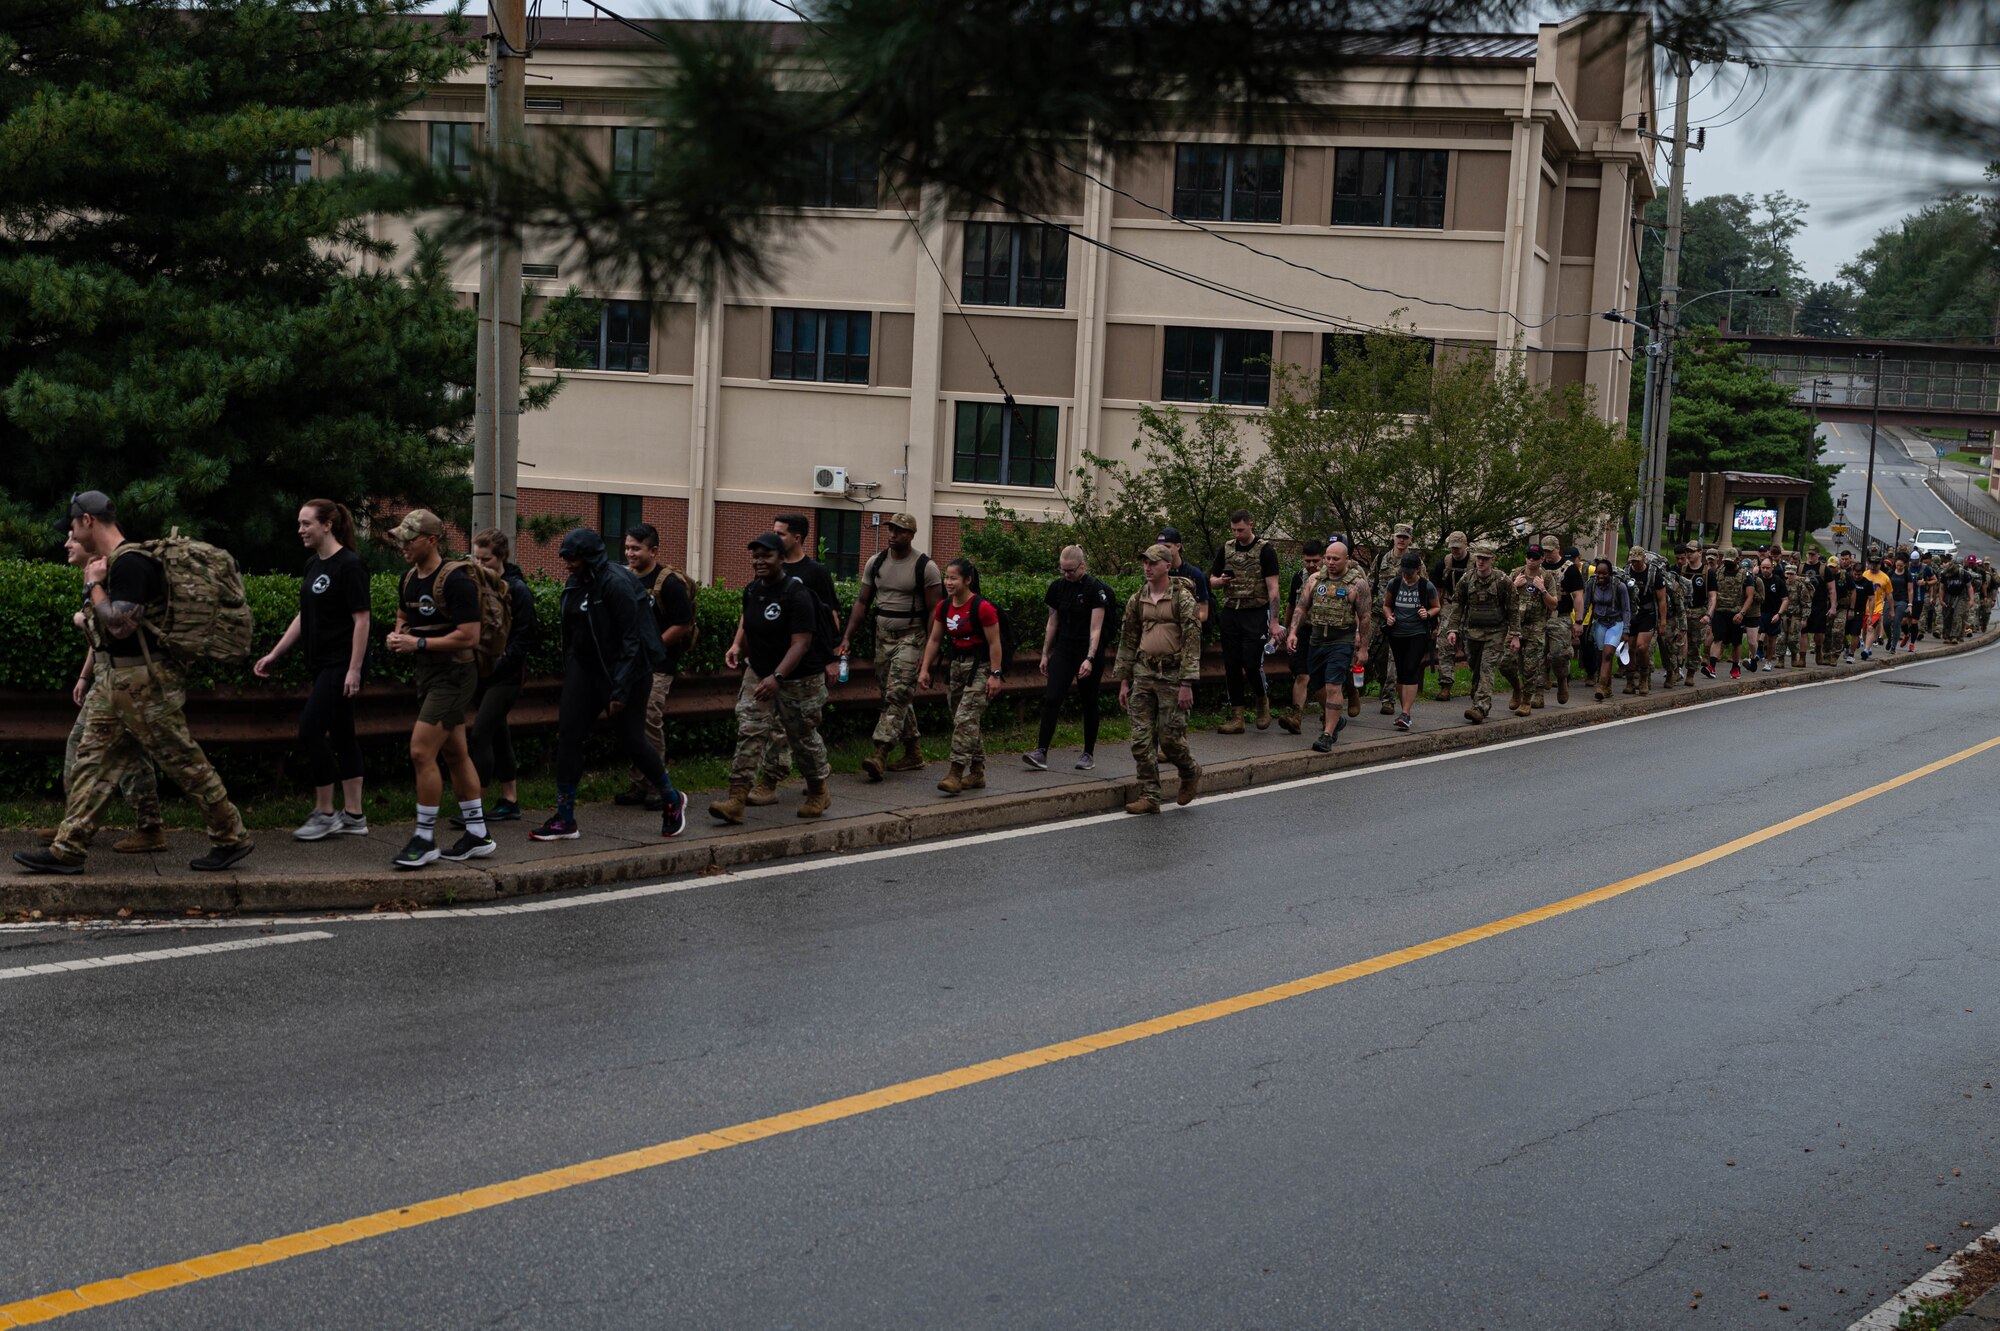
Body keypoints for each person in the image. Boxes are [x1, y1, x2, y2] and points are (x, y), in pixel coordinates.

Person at [16, 491, 252, 876]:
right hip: (118, 681)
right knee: (92, 761)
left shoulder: (131, 563)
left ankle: (231, 837)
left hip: (145, 685)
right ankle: (68, 848)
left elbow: (121, 626)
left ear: (88, 521)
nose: (70, 534)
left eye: (73, 526)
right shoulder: (118, 564)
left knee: (184, 762)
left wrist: (94, 585)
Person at [524, 528, 687, 841]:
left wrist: (620, 688)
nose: (567, 564)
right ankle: (565, 818)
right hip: (585, 671)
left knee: (632, 742)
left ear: (589, 557)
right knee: (569, 737)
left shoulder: (617, 583)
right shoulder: (576, 582)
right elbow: (574, 632)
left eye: (573, 559)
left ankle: (671, 798)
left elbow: (632, 639)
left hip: (628, 673)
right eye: (565, 559)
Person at [35, 529, 163, 855]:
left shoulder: (104, 576)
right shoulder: (92, 576)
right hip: (107, 675)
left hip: (124, 678)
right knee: (96, 747)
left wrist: (83, 619)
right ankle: (76, 822)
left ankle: (145, 829)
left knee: (123, 754)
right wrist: (83, 676)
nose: (67, 544)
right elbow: (99, 642)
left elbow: (111, 629)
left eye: (72, 539)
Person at [253, 499, 373, 841]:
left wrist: (354, 669)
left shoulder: (349, 566)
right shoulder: (313, 565)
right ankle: (354, 816)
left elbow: (362, 619)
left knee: (309, 730)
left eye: (306, 523)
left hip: (340, 664)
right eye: (299, 523)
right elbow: (306, 616)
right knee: (344, 735)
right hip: (321, 665)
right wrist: (275, 653)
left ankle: (325, 813)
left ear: (327, 525)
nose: (300, 530)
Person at [382, 508, 493, 868]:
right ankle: (478, 834)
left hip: (455, 676)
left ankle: (424, 838)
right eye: (400, 537)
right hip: (428, 675)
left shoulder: (457, 580)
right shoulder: (409, 578)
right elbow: (404, 615)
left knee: (420, 752)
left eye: (409, 539)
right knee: (454, 753)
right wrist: (398, 635)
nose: (402, 545)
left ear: (431, 540)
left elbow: (470, 636)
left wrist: (420, 645)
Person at [710, 532, 833, 823]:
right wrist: (738, 646)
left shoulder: (797, 594)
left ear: (781, 559)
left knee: (801, 736)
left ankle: (818, 791)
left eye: (767, 555)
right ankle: (736, 800)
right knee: (749, 730)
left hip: (798, 678)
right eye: (756, 555)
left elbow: (801, 643)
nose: (759, 561)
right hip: (759, 672)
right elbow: (749, 623)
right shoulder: (753, 590)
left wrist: (777, 676)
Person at [838, 513, 943, 781]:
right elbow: (862, 602)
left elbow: (935, 611)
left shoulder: (925, 567)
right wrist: (848, 636)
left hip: (912, 636)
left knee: (897, 694)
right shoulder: (876, 563)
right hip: (883, 636)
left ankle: (880, 752)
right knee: (894, 695)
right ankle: (914, 753)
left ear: (911, 534)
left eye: (900, 531)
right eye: (891, 530)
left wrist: (929, 652)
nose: (893, 535)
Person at [1111, 544, 1204, 814]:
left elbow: (1191, 641)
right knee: (1141, 740)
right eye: (1144, 563)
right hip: (1143, 673)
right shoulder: (1137, 598)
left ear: (1167, 565)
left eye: (1152, 563)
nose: (1147, 568)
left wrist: (1187, 683)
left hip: (1173, 676)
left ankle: (1190, 771)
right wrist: (1124, 680)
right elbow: (1128, 640)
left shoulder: (1183, 599)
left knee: (1170, 739)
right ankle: (1150, 795)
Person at [759, 513, 842, 803]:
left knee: (801, 728)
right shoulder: (769, 569)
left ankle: (816, 778)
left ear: (797, 538)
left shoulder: (814, 571)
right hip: (774, 662)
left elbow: (830, 613)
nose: (774, 538)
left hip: (806, 664)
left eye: (780, 533)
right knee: (777, 728)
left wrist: (833, 657)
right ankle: (770, 782)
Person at [616, 523, 696, 809]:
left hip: (658, 665)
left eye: (636, 548)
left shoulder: (668, 583)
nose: (629, 553)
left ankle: (656, 787)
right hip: (629, 665)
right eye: (627, 547)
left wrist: (652, 648)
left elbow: (683, 624)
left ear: (653, 550)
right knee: (632, 724)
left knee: (650, 720)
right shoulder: (623, 578)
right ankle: (638, 784)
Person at [459, 528, 536, 826]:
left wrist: (503, 661)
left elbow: (526, 635)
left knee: (480, 735)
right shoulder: (471, 584)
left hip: (505, 676)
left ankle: (474, 810)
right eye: (475, 558)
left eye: (486, 559)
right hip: (480, 672)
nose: (480, 564)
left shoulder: (517, 588)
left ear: (502, 556)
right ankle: (509, 800)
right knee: (499, 735)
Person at [918, 557, 1005, 795]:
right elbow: (935, 639)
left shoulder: (982, 608)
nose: (948, 582)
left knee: (965, 719)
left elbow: (995, 643)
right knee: (962, 719)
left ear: (968, 580)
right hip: (956, 668)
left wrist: (995, 675)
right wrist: (925, 669)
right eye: (946, 577)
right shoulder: (944, 607)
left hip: (981, 668)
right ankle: (977, 772)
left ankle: (955, 773)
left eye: (953, 578)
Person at [1028, 545, 1114, 771]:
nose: (1066, 575)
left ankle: (1088, 753)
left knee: (1088, 701)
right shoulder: (1057, 588)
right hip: (1064, 650)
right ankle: (1041, 751)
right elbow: (1052, 622)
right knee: (1052, 698)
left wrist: (1090, 658)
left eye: (1071, 571)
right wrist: (1045, 653)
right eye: (1063, 570)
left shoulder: (1095, 590)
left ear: (1082, 566)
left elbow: (1096, 629)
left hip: (1087, 651)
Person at [1286, 539, 1372, 750]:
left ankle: (1327, 733)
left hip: (1341, 640)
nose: (1331, 562)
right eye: (1328, 558)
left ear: (1347, 560)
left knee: (1334, 685)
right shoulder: (1315, 580)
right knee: (1318, 686)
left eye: (1336, 559)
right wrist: (1293, 633)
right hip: (1317, 639)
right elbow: (1301, 607)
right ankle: (1336, 718)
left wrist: (1363, 648)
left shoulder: (1357, 584)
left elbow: (1366, 616)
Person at [1209, 509, 1283, 733]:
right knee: (1231, 665)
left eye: (1241, 529)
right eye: (1233, 530)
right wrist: (1220, 582)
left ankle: (1262, 700)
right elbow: (1210, 580)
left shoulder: (1265, 550)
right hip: (1232, 611)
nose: (1237, 534)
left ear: (1251, 524)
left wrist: (1274, 621)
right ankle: (1237, 716)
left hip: (1255, 612)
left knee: (1251, 664)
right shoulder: (1226, 548)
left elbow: (1273, 588)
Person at [1441, 541, 1514, 723]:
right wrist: (1452, 629)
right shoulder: (1467, 579)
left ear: (1492, 560)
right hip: (1472, 631)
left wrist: (1515, 634)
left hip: (1496, 631)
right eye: (1479, 558)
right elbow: (1457, 605)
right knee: (1474, 667)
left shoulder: (1502, 580)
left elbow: (1512, 608)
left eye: (1485, 559)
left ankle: (1481, 706)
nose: (1481, 562)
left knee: (1487, 668)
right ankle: (1477, 696)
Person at [1380, 550, 1438, 730]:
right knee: (1401, 670)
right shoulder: (1394, 583)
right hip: (1397, 633)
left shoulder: (1426, 586)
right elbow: (1387, 605)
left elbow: (1436, 607)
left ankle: (1405, 712)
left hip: (1417, 632)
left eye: (1410, 573)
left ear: (1418, 570)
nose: (1406, 576)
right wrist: (1389, 617)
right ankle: (1404, 712)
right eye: (1404, 572)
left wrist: (1426, 613)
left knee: (1411, 668)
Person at [1369, 522, 1422, 714]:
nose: (1401, 540)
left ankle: (1388, 699)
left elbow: (1423, 587)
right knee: (1370, 652)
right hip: (1378, 612)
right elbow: (1370, 584)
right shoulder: (1382, 558)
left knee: (1393, 658)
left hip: (1401, 616)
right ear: (1393, 537)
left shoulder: (1415, 562)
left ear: (1410, 540)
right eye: (1399, 536)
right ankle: (1375, 686)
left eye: (1405, 537)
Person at [1500, 544, 1558, 715]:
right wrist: (1513, 585)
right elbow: (1500, 598)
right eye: (1528, 556)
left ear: (1541, 559)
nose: (1531, 560)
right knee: (1505, 662)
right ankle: (1517, 688)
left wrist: (1543, 590)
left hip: (1535, 626)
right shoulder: (1516, 573)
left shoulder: (1546, 577)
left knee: (1530, 666)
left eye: (1535, 557)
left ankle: (1526, 700)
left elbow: (1554, 604)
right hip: (1515, 625)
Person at [1277, 540, 1325, 734]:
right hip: (1303, 631)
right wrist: (1288, 630)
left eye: (1315, 560)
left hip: (1324, 631)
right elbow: (1291, 605)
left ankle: (1329, 716)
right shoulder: (1298, 577)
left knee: (1322, 679)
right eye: (1307, 561)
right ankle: (1296, 717)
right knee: (1301, 674)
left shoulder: (1332, 578)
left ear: (1323, 557)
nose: (1311, 565)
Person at [1708, 545, 1761, 679]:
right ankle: (1711, 666)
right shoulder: (1718, 572)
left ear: (1738, 560)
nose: (1728, 564)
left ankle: (1735, 667)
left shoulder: (1746, 575)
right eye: (1726, 562)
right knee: (1717, 639)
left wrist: (1742, 613)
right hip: (1720, 611)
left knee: (1736, 642)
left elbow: (1749, 596)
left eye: (1730, 562)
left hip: (1736, 613)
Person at [1582, 557, 1631, 701]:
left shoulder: (1619, 587)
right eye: (1598, 573)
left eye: (1604, 574)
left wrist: (1626, 630)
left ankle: (1601, 686)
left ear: (1610, 573)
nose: (1601, 577)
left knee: (1608, 654)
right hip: (1599, 623)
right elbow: (1586, 606)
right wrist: (1579, 622)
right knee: (1600, 655)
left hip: (1615, 623)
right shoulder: (1591, 585)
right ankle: (1607, 686)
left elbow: (1626, 610)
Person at [1430, 531, 1472, 700]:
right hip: (1450, 604)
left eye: (1458, 548)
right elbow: (1437, 589)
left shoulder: (1475, 563)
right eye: (1452, 548)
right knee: (1445, 642)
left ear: (1466, 546)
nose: (1455, 551)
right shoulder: (1445, 563)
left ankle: (1478, 684)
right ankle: (1445, 684)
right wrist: (1437, 612)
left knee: (1473, 645)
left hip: (1472, 607)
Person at [1620, 547, 1664, 695]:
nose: (1635, 564)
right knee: (1630, 648)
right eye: (1633, 561)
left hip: (1648, 614)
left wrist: (1662, 621)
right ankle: (1630, 681)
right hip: (1631, 614)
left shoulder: (1653, 574)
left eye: (1638, 561)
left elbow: (1661, 599)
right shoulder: (1626, 573)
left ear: (1644, 558)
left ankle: (1644, 677)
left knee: (1641, 647)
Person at [1154, 526, 1212, 629]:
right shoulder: (1155, 574)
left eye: (1167, 547)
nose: (1162, 551)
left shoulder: (1195, 575)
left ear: (1178, 546)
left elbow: (1204, 613)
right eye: (1159, 547)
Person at [1860, 554, 1894, 658]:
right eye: (1871, 564)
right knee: (1865, 630)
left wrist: (1891, 609)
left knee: (1871, 627)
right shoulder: (1865, 574)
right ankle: (1868, 646)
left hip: (1877, 607)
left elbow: (1889, 594)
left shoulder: (1885, 578)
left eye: (1876, 564)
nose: (1873, 566)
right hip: (1864, 606)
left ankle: (1866, 650)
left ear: (1880, 564)